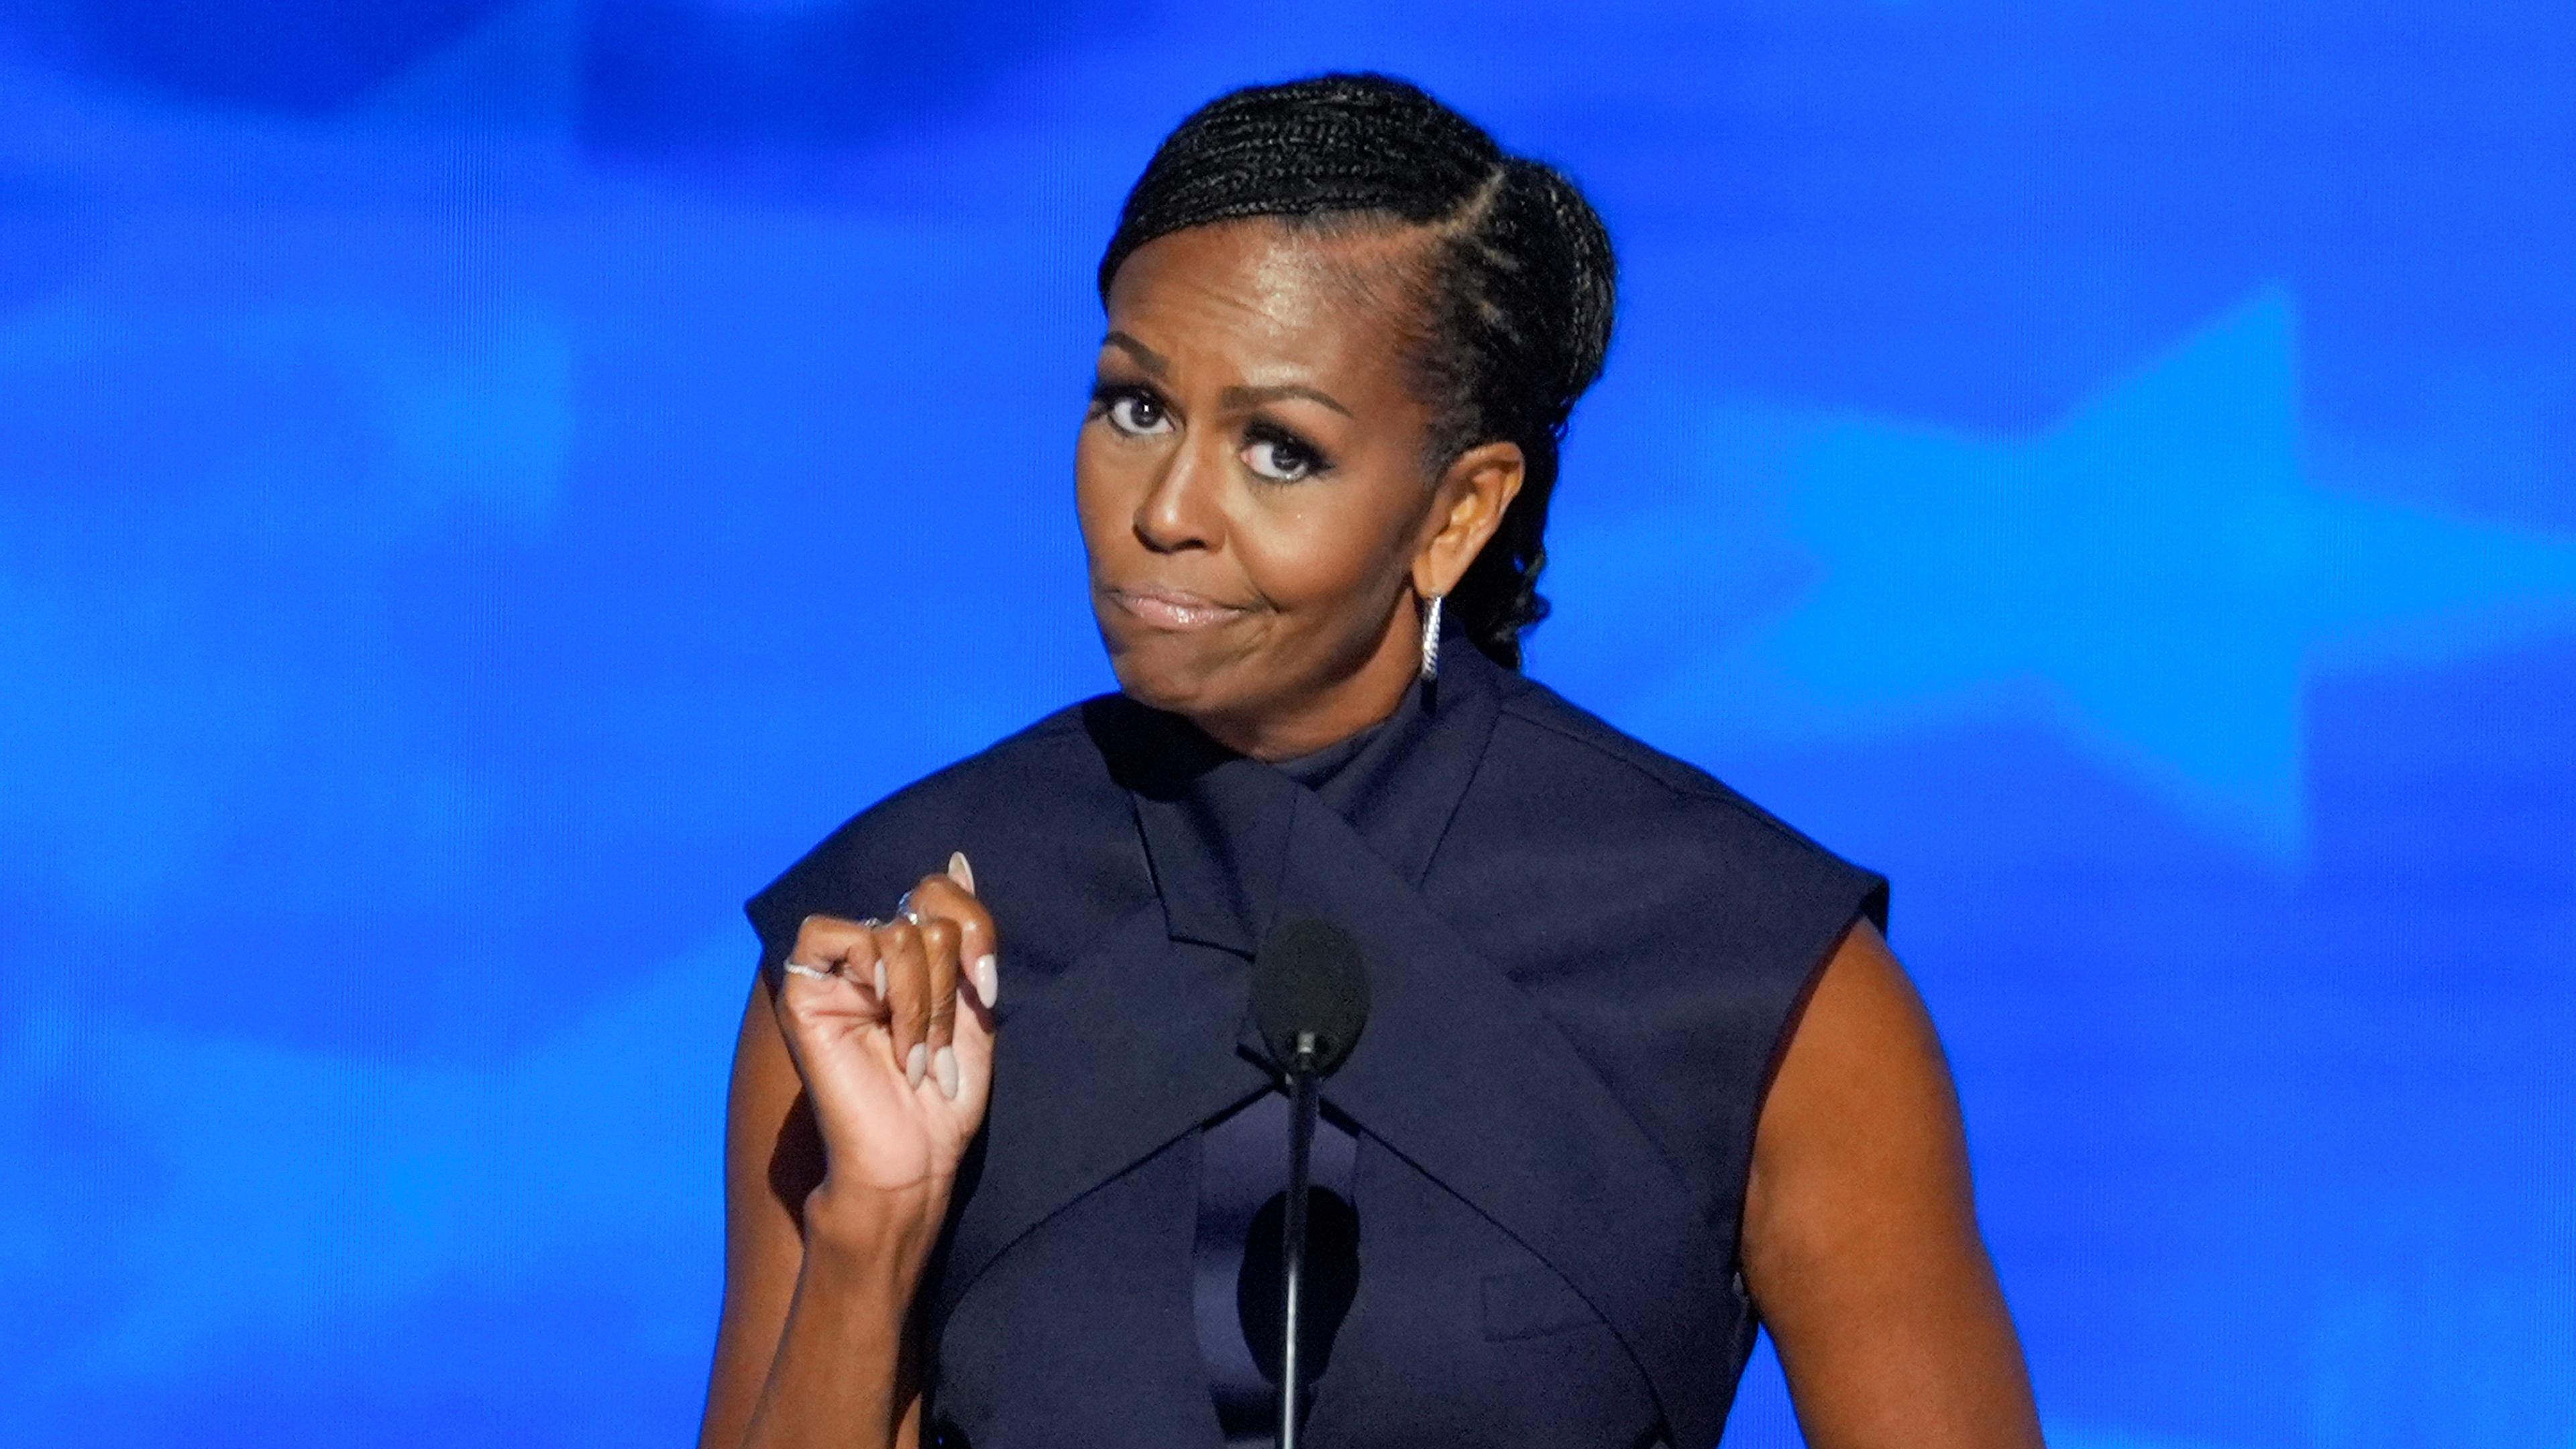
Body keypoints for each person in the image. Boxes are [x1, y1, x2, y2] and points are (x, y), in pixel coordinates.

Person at [697, 74, 2044, 1449]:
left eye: (1280, 451)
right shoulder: (890, 947)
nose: (1165, 513)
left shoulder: (1766, 985)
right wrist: (874, 1230)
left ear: (1459, 512)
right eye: (1134, 409)